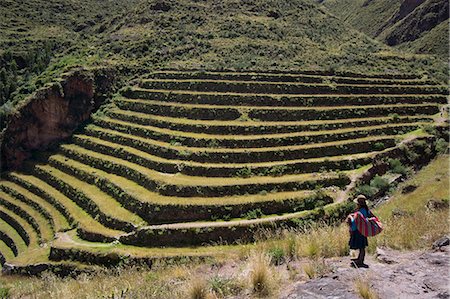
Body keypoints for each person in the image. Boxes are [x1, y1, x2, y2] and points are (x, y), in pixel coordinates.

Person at [347, 195, 372, 268]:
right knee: (362, 246)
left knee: (359, 246)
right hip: (364, 230)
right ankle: (360, 259)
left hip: (358, 231)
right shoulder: (366, 210)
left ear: (358, 204)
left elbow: (355, 222)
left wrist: (350, 219)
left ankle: (360, 261)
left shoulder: (359, 212)